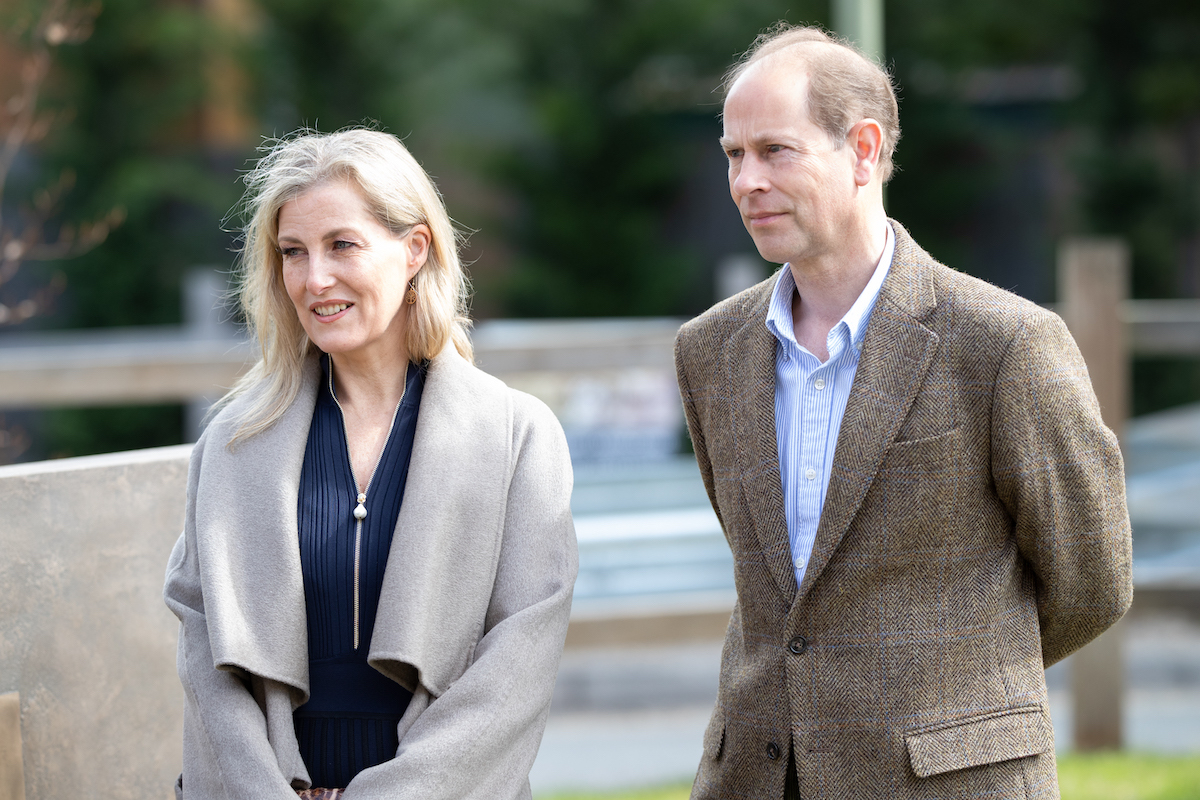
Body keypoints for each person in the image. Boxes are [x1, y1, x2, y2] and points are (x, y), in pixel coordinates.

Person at [674, 24, 1132, 799]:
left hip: (950, 780)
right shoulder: (709, 350)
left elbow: (1093, 580)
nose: (746, 180)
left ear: (862, 150)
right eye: (732, 154)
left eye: (775, 150)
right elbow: (777, 588)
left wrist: (950, 684)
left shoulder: (1005, 343)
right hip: (751, 778)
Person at [164, 128, 577, 800]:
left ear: (414, 249)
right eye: (292, 253)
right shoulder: (233, 442)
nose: (314, 279)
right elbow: (202, 643)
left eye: (342, 245)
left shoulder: (516, 438)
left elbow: (516, 669)